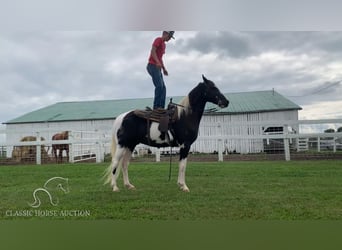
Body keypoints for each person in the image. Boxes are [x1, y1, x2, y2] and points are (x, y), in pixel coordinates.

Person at [147, 31, 175, 109]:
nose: (169, 39)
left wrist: (164, 69)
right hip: (152, 65)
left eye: (170, 37)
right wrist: (157, 62)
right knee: (159, 86)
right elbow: (153, 51)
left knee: (163, 87)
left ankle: (161, 108)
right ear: (164, 33)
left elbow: (160, 58)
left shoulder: (164, 45)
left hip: (158, 67)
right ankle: (156, 107)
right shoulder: (158, 40)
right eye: (169, 36)